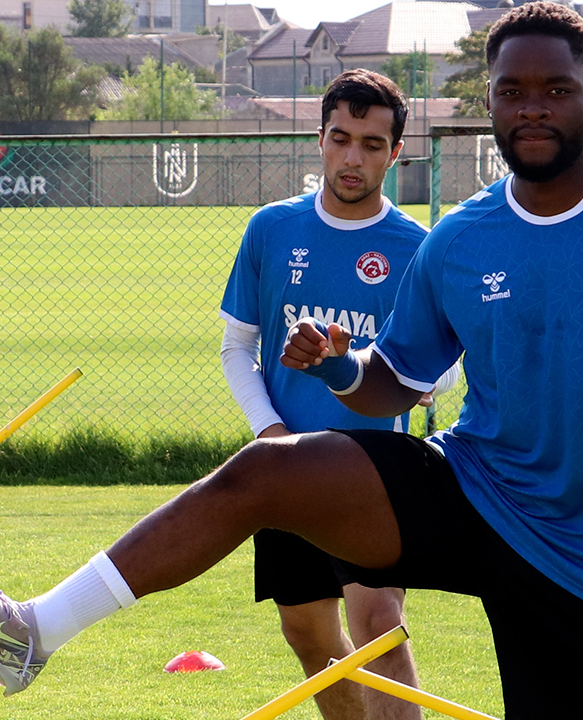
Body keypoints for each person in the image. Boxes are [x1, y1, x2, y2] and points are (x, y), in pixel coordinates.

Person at [0, 4, 583, 718]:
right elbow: (394, 383)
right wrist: (340, 369)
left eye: (556, 90)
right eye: (511, 91)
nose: (533, 109)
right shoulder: (460, 238)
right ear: (487, 100)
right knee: (264, 473)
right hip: (472, 488)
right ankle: (32, 630)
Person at [219, 69, 442, 720]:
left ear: (394, 154)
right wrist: (268, 432)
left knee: (379, 627)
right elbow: (238, 347)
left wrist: (414, 382)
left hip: (376, 468)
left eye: (372, 145)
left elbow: (446, 366)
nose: (352, 157)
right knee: (311, 638)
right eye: (340, 138)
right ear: (319, 139)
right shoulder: (271, 229)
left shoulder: (419, 248)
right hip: (285, 466)